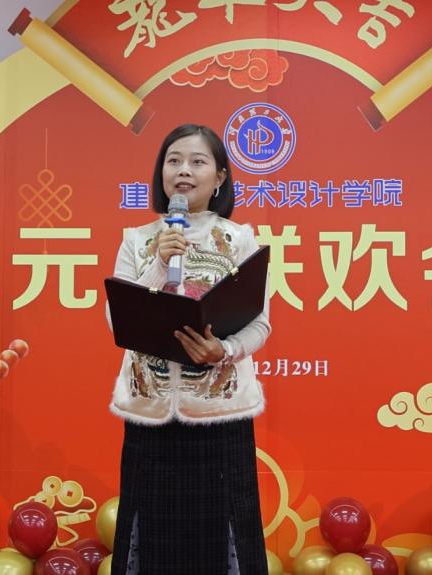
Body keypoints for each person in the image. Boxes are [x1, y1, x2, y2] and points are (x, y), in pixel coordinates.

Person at [107, 124, 271, 574]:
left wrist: (224, 350)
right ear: (161, 172)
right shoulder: (137, 240)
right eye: (173, 160)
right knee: (151, 534)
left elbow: (260, 324)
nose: (183, 171)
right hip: (152, 412)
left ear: (219, 177)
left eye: (198, 162)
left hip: (220, 414)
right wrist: (160, 262)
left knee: (225, 532)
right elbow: (118, 319)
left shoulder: (239, 240)